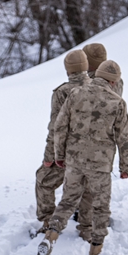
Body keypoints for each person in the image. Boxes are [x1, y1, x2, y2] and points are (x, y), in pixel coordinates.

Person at [37, 59, 128, 255]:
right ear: (114, 83)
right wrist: (126, 167)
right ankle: (95, 254)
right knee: (100, 207)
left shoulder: (75, 93)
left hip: (74, 160)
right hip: (100, 165)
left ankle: (50, 238)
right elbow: (123, 139)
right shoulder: (117, 102)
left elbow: (59, 127)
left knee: (68, 201)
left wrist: (59, 155)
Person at [35, 49, 93, 233]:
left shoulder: (62, 93)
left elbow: (56, 128)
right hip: (95, 152)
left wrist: (49, 157)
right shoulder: (99, 88)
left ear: (68, 70)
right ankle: (86, 225)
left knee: (43, 180)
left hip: (67, 153)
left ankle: (48, 223)